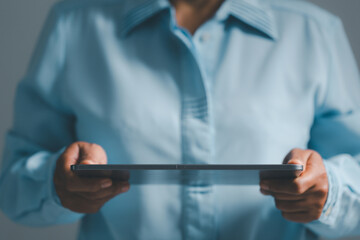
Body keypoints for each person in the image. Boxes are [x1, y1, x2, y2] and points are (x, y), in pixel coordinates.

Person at [1, 0, 360, 239]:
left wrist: (330, 193)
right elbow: (12, 183)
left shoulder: (314, 31)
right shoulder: (74, 23)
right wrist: (56, 184)